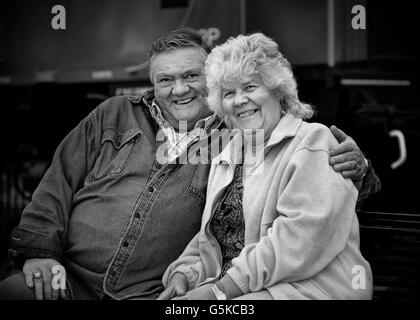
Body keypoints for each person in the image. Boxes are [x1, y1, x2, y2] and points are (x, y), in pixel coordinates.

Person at [0, 28, 378, 300]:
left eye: (191, 76)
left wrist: (359, 170)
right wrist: (39, 253)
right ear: (152, 83)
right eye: (166, 79)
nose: (179, 89)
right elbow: (57, 183)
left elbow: (314, 206)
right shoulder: (113, 115)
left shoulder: (235, 135)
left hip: (147, 293)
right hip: (69, 277)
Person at [158, 33, 373, 300]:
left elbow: (299, 240)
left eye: (249, 87)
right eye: (228, 93)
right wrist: (183, 276)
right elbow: (214, 237)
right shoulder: (230, 152)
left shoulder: (312, 142)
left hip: (308, 289)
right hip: (249, 288)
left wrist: (219, 292)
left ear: (277, 90)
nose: (239, 101)